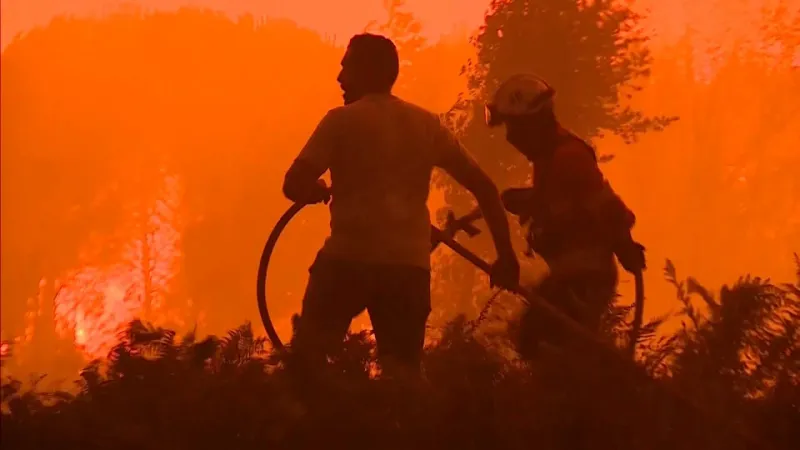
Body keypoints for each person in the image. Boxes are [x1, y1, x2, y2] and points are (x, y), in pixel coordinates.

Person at [281, 34, 520, 384]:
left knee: (307, 365)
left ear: (368, 71)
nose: (339, 77)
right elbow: (484, 188)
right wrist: (507, 258)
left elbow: (292, 184)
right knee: (403, 378)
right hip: (407, 269)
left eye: (346, 66)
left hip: (347, 260)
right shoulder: (427, 126)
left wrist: (314, 189)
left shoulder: (340, 121)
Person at [484, 74, 646, 357]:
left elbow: (605, 206)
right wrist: (528, 200)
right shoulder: (549, 158)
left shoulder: (568, 157)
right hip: (571, 275)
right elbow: (567, 204)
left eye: (512, 126)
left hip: (584, 278)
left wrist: (625, 246)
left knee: (543, 345)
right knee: (543, 344)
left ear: (531, 124)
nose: (510, 137)